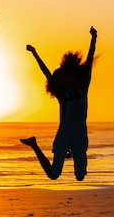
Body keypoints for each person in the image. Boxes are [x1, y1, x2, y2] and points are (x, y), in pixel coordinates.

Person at [20, 27, 97, 181]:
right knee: (54, 175)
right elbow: (46, 72)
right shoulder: (63, 95)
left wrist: (93, 38)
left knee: (80, 176)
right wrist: (34, 53)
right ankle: (34, 144)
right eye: (60, 80)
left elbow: (89, 62)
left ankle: (69, 151)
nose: (63, 80)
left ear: (71, 74)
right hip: (64, 135)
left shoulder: (83, 87)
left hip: (81, 136)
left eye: (64, 77)